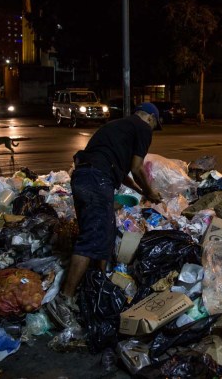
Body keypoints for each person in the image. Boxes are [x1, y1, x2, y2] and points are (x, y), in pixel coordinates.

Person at [48, 102, 163, 329]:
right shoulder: (142, 128)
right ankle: (64, 299)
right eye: (154, 124)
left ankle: (94, 288)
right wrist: (150, 191)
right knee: (93, 238)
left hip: (83, 176)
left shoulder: (117, 126)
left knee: (104, 233)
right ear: (150, 118)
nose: (152, 129)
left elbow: (122, 172)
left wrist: (141, 191)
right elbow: (138, 167)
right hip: (97, 180)